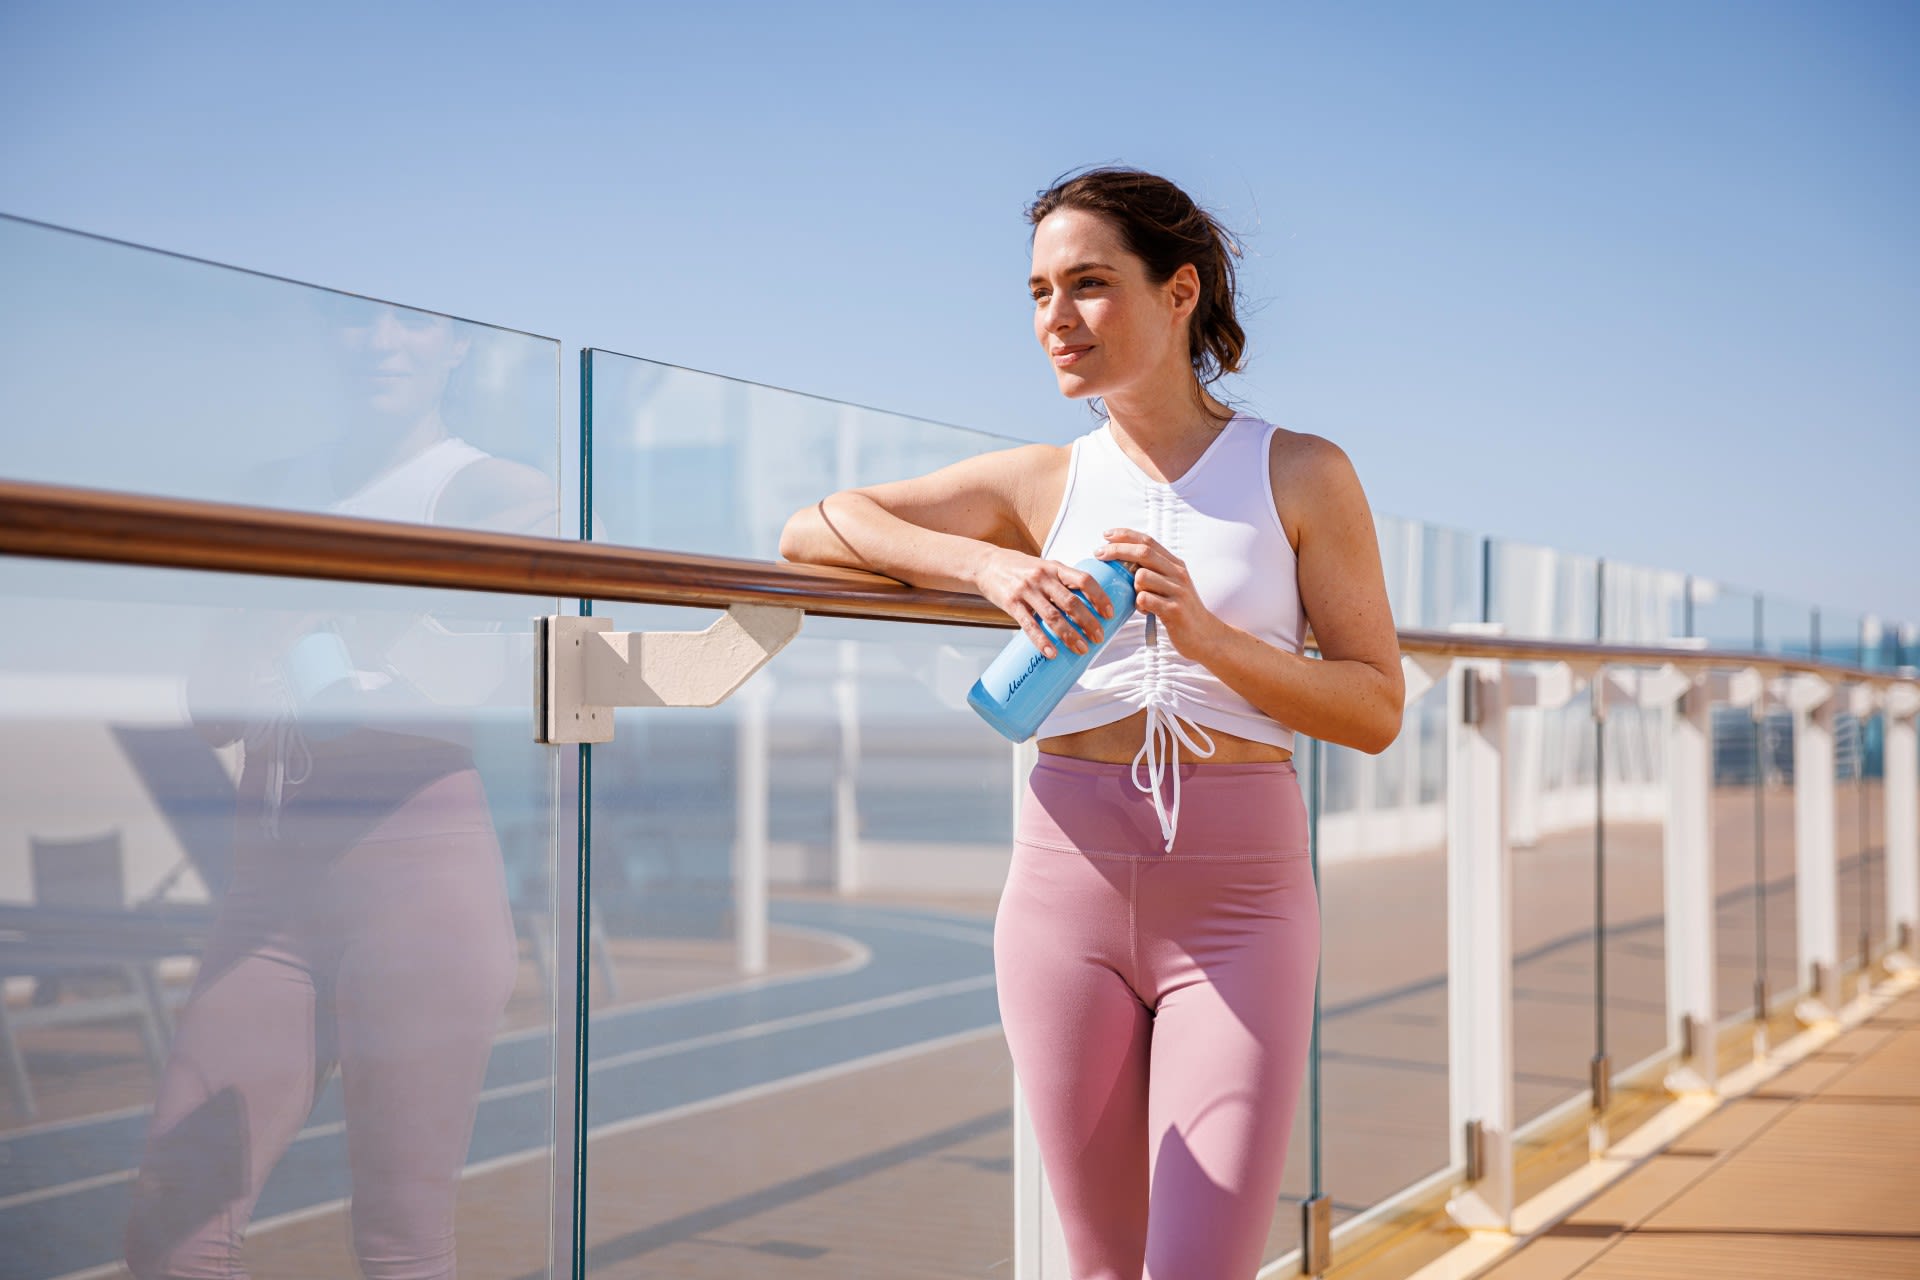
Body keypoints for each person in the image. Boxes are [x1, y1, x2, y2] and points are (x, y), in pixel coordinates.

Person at [780, 167, 1403, 1278]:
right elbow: (816, 526)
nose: (1055, 319)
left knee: (1198, 1263)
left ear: (1178, 293)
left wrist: (1211, 639)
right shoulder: (1039, 479)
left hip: (1240, 897)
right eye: (1036, 292)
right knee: (1103, 1264)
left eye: (1088, 284)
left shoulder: (1302, 470)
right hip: (1061, 881)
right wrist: (987, 565)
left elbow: (1375, 706)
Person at [123, 306, 554, 1280]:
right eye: (359, 318)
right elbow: (210, 702)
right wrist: (335, 631)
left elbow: (470, 672)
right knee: (170, 1228)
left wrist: (295, 616)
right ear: (326, 334)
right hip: (268, 898)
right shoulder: (271, 489)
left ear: (459, 344)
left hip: (418, 891)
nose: (382, 341)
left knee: (400, 1244)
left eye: (415, 322)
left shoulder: (493, 489)